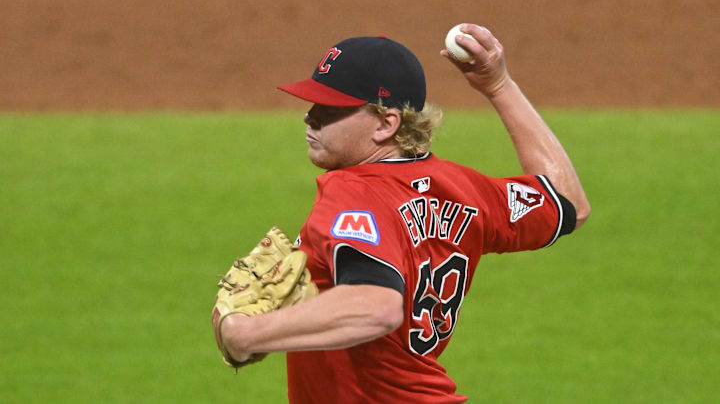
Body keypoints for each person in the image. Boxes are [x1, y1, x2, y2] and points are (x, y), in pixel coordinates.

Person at [220, 24, 590, 403]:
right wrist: (498, 85)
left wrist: (245, 335)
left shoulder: (352, 191)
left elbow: (376, 307)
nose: (310, 117)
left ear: (386, 124)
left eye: (331, 108)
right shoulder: (463, 188)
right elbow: (570, 204)